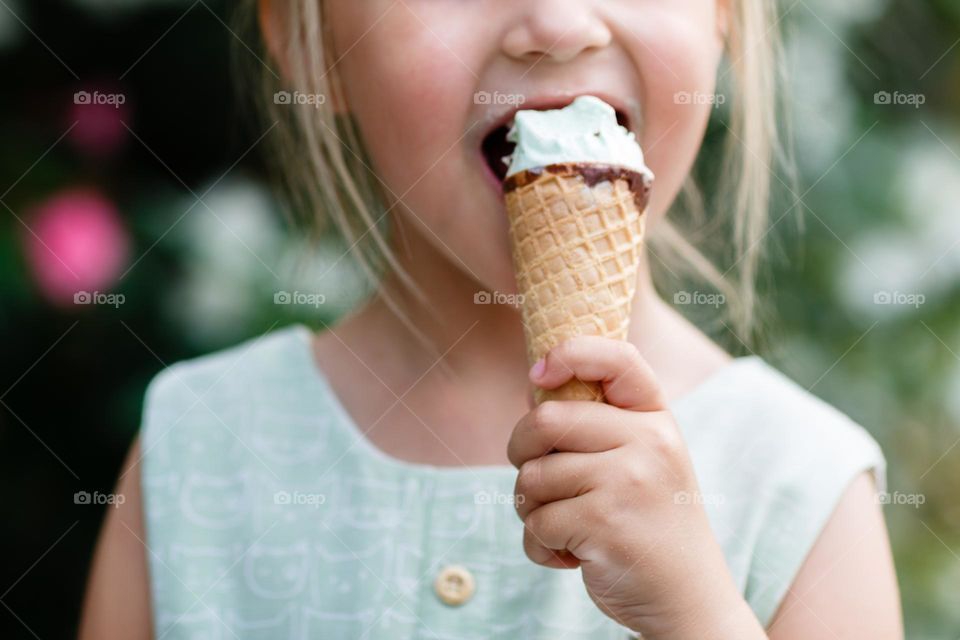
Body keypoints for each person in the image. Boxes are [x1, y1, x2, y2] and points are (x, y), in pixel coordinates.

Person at [80, 1, 903, 638]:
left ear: (724, 14)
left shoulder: (801, 484)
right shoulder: (200, 448)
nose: (556, 24)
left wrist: (696, 617)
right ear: (311, 45)